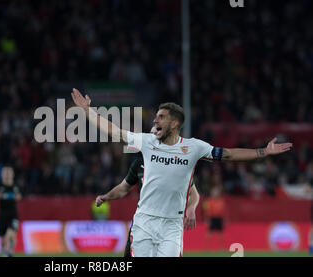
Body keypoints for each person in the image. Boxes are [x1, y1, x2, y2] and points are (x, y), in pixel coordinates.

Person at [71, 88, 293, 257]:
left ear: (175, 123)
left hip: (172, 226)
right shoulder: (147, 141)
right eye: (156, 116)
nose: (155, 120)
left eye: (161, 117)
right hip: (144, 222)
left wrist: (263, 151)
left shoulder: (194, 147)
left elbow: (228, 154)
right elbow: (114, 131)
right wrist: (87, 111)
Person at [96, 127, 200, 257]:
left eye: (156, 136)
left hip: (168, 223)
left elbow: (193, 193)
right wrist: (106, 197)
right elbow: (123, 188)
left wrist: (191, 207)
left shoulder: (175, 163)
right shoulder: (139, 164)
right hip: (144, 222)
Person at [0, 164, 22, 257]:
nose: (7, 174)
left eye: (9, 172)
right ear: (2, 174)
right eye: (5, 172)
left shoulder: (16, 186)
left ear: (13, 174)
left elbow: (22, 195)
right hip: (2, 215)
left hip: (13, 215)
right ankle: (6, 251)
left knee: (10, 233)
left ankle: (9, 251)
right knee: (4, 237)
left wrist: (19, 197)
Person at [202, 185, 226, 250]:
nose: (215, 193)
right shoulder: (208, 201)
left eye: (216, 192)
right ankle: (206, 248)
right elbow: (206, 211)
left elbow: (223, 211)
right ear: (211, 193)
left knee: (220, 234)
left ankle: (222, 248)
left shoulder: (221, 201)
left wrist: (224, 219)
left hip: (219, 218)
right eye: (214, 192)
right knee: (209, 233)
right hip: (212, 218)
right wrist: (207, 219)